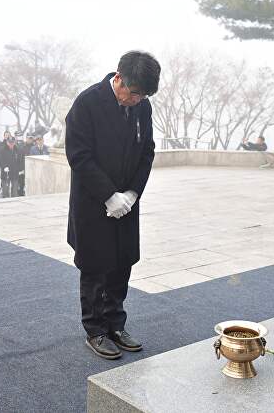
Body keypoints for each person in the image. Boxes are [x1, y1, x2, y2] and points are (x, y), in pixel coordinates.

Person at [65, 50, 160, 360]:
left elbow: (147, 152)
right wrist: (109, 195)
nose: (136, 100)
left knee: (121, 264)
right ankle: (95, 329)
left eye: (142, 96)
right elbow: (79, 156)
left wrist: (132, 193)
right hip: (94, 202)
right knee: (95, 267)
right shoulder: (87, 103)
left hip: (127, 204)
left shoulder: (142, 108)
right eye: (132, 94)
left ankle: (116, 324)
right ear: (118, 78)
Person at [15, 131, 27, 196]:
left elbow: (24, 157)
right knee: (15, 183)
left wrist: (22, 169)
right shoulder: (13, 144)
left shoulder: (24, 145)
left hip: (22, 167)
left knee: (22, 182)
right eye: (18, 135)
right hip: (15, 167)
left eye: (20, 135)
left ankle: (21, 192)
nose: (19, 137)